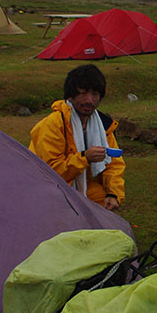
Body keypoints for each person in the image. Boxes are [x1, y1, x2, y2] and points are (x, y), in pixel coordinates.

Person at [29, 64, 125, 211]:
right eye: (83, 93)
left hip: (84, 186)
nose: (89, 100)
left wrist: (113, 194)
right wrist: (85, 158)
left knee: (103, 204)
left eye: (95, 94)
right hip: (50, 190)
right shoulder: (53, 124)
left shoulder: (102, 125)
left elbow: (114, 165)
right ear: (70, 95)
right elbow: (50, 172)